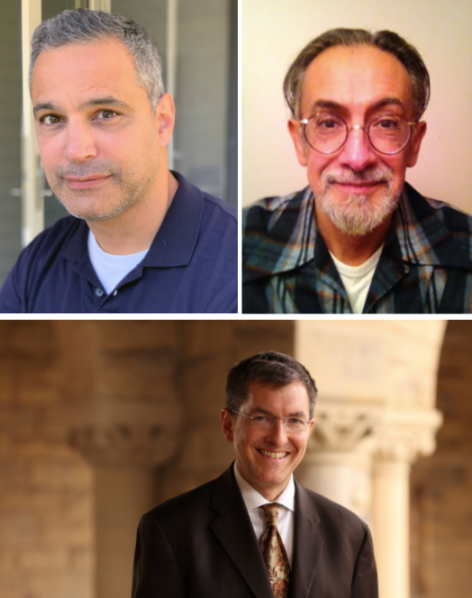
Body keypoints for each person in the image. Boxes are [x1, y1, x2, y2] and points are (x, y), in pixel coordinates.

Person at [0, 9, 237, 313]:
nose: (76, 150)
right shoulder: (39, 261)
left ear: (162, 121)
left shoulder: (233, 265)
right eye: (53, 118)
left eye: (106, 114)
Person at [243, 28, 472, 314]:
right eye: (328, 123)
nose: (357, 158)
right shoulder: (237, 244)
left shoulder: (466, 247)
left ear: (414, 143)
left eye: (386, 123)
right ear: (299, 141)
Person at [132, 351, 378, 598]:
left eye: (294, 420)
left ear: (309, 429)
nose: (279, 438)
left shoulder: (351, 535)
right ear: (228, 425)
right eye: (261, 418)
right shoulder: (169, 530)